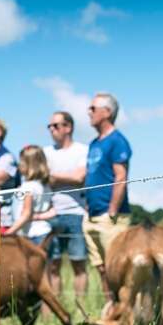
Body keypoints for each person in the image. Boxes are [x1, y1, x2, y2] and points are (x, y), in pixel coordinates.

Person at [83, 92, 132, 296]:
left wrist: (112, 210)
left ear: (107, 112)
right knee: (101, 269)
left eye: (93, 108)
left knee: (116, 270)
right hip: (92, 215)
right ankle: (111, 314)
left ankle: (123, 317)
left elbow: (121, 176)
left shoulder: (118, 141)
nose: (89, 112)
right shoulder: (94, 143)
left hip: (110, 216)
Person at [43, 111, 88, 298]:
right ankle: (54, 311)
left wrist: (53, 176)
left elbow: (79, 178)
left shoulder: (82, 150)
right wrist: (64, 177)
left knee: (79, 263)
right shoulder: (46, 152)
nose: (52, 130)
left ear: (68, 127)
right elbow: (42, 178)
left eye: (56, 125)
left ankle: (82, 310)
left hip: (76, 213)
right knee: (52, 265)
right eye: (50, 126)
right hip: (51, 214)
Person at [5, 145, 54, 244]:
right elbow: (52, 210)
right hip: (46, 232)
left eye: (22, 161)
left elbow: (26, 214)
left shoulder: (28, 187)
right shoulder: (45, 185)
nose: (19, 165)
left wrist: (8, 233)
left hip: (33, 235)